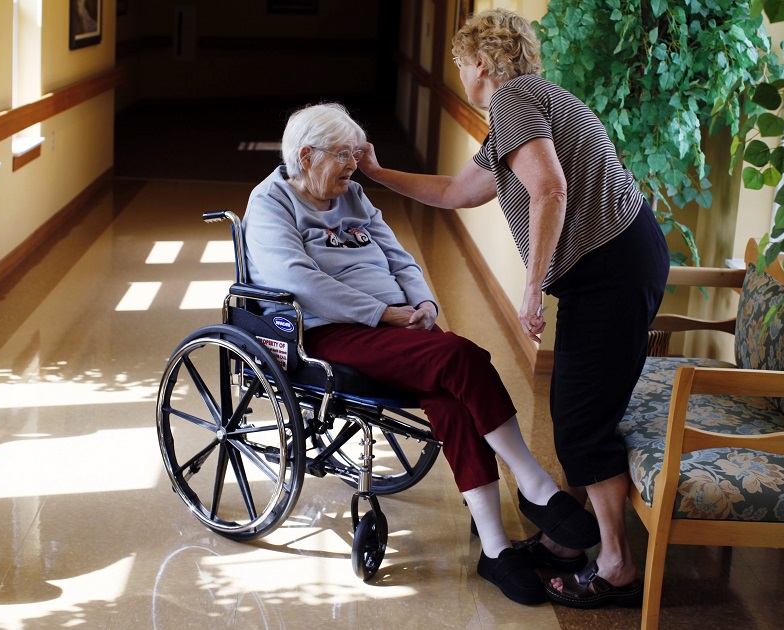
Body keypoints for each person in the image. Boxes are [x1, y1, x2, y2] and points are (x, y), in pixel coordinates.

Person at [358, 9, 670, 610]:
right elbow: (456, 192)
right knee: (576, 404)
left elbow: (549, 189)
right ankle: (562, 543)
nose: (460, 74)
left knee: (581, 418)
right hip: (615, 265)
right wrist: (374, 173)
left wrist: (531, 288)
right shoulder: (525, 107)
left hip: (611, 271)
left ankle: (617, 566)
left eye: (460, 63)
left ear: (478, 63)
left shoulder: (512, 101)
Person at [243, 102, 601, 606]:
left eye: (356, 151)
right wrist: (386, 314)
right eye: (343, 153)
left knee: (451, 396)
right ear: (307, 155)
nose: (354, 163)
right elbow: (297, 281)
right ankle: (533, 481)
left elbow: (398, 255)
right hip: (332, 333)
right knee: (461, 358)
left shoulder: (353, 194)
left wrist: (424, 300)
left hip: (397, 326)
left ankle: (495, 548)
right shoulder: (270, 202)